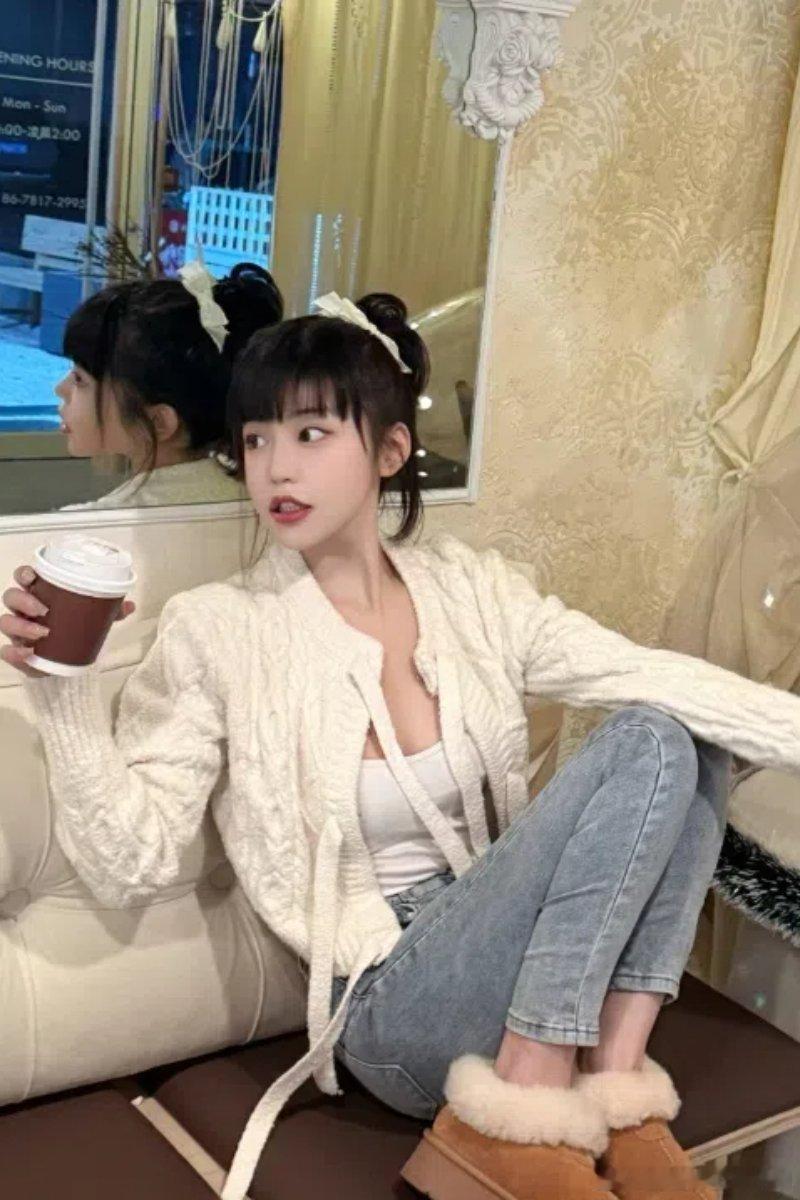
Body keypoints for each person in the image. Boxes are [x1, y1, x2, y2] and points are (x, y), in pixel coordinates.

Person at [3, 290, 800, 1200]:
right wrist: (62, 689)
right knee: (651, 739)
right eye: (256, 439)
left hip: (512, 963)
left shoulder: (472, 592)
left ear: (388, 451)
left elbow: (644, 672)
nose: (275, 468)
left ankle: (621, 1099)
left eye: (310, 434)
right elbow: (131, 863)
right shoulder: (220, 630)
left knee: (686, 733)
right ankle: (518, 1112)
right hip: (391, 1009)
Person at [55, 260, 283, 510]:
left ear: (158, 422)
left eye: (80, 379)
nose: (61, 389)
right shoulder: (264, 503)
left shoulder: (94, 526)